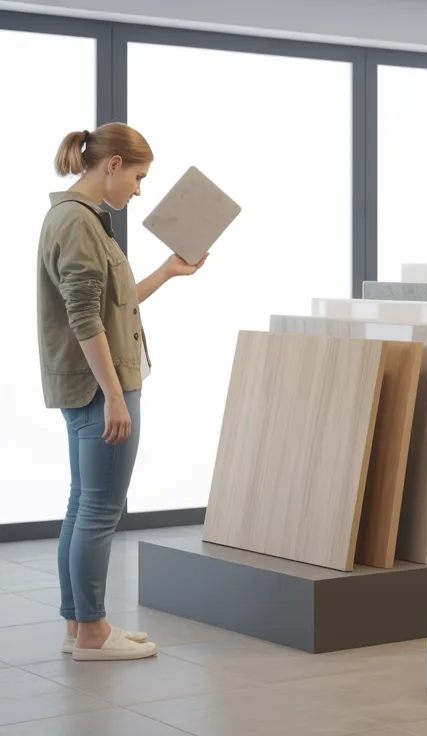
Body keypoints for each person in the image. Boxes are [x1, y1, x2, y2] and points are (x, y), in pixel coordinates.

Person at [38, 123, 206, 661]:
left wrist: (168, 272)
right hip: (99, 385)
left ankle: (82, 627)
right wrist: (113, 394)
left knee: (82, 503)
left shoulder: (77, 218)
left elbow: (113, 302)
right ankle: (92, 633)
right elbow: (83, 315)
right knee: (100, 510)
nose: (138, 190)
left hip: (86, 382)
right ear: (112, 165)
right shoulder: (80, 223)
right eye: (137, 177)